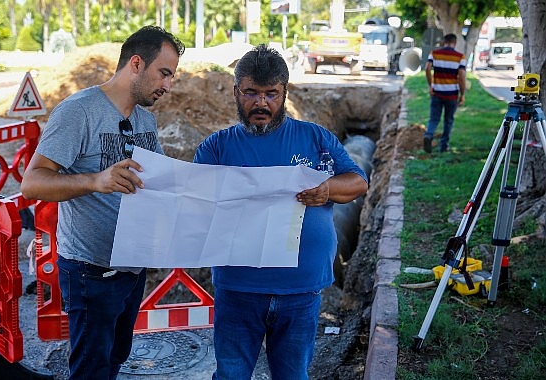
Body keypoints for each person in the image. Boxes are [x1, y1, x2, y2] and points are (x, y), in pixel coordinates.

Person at [193, 44, 369, 380]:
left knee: (292, 375)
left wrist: (327, 189)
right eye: (251, 93)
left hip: (300, 291)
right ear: (235, 91)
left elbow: (358, 183)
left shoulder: (316, 139)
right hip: (238, 289)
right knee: (231, 374)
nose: (261, 103)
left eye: (271, 94)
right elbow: (194, 204)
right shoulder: (216, 147)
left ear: (285, 92)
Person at [20, 26, 184, 379]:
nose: (168, 86)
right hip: (90, 271)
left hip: (132, 266)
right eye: (165, 73)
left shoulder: (145, 119)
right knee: (91, 370)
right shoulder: (78, 112)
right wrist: (97, 180)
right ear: (137, 64)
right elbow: (32, 183)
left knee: (114, 359)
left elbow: (156, 182)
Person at [424, 33, 467, 153]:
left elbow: (427, 68)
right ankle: (444, 146)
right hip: (452, 95)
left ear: (444, 42)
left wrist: (430, 85)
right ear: (455, 43)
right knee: (448, 120)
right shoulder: (460, 57)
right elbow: (462, 76)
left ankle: (429, 135)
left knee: (434, 118)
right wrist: (462, 94)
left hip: (436, 92)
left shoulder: (435, 53)